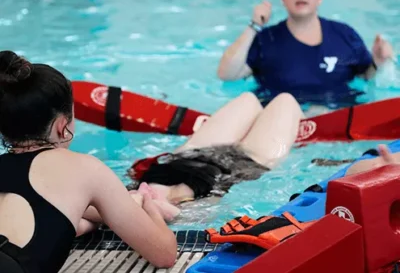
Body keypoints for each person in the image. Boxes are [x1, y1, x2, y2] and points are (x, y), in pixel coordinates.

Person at [0, 51, 177, 273]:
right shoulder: (84, 168)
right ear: (61, 125)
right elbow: (164, 254)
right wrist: (151, 210)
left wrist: (90, 220)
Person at [217, 0, 394, 109]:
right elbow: (227, 74)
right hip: (280, 123)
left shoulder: (344, 35)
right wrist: (254, 26)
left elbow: (366, 75)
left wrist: (377, 62)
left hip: (338, 118)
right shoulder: (265, 39)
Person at [128, 90, 305, 219]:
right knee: (286, 100)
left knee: (249, 99)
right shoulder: (184, 211)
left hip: (194, 150)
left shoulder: (130, 191)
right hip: (250, 161)